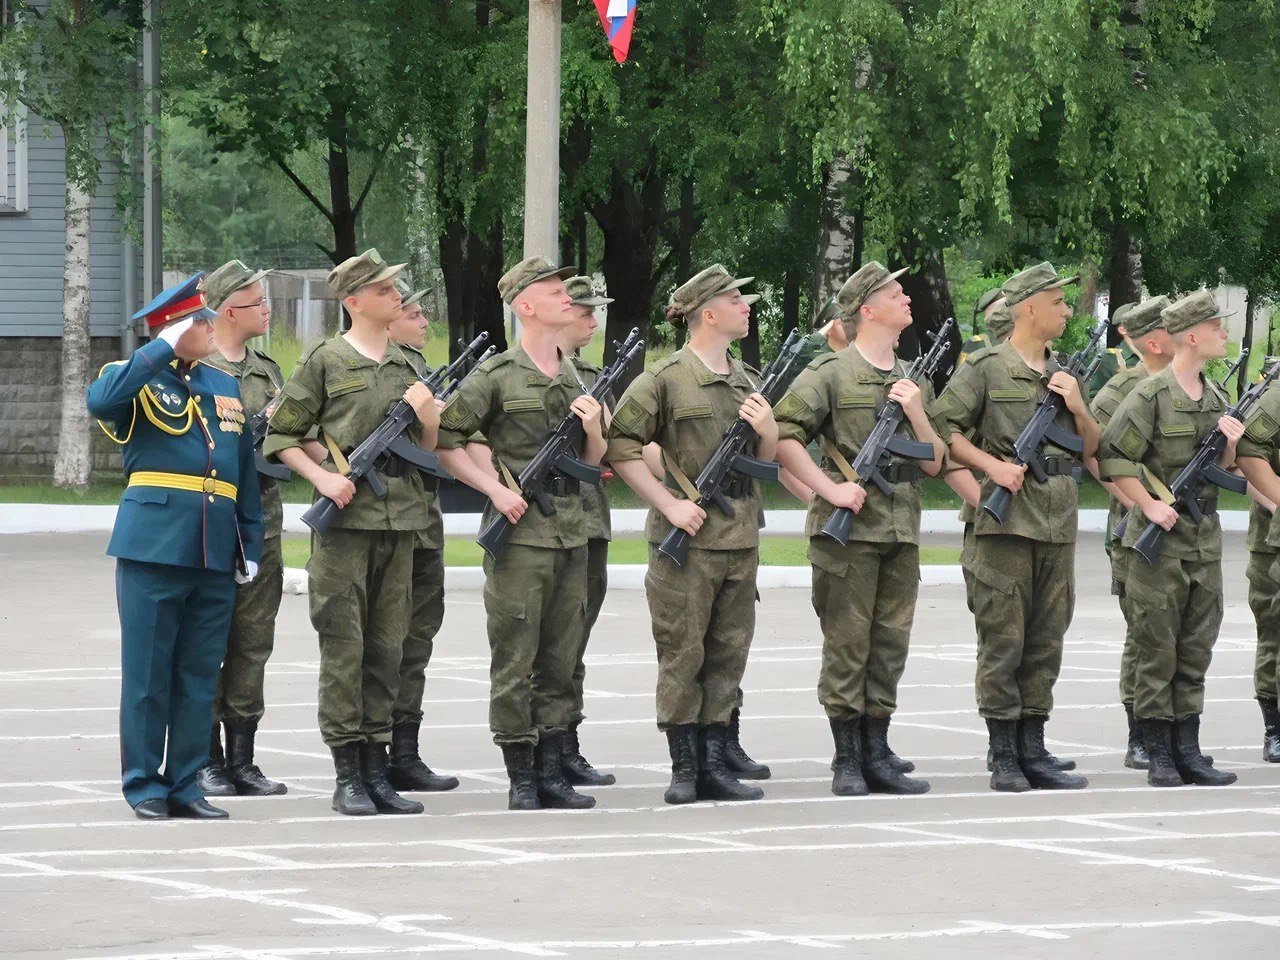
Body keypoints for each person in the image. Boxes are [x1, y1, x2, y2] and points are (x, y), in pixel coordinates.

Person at [264, 249, 439, 816]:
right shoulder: (326, 360)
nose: (397, 296)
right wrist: (323, 477)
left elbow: (428, 451)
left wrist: (429, 418)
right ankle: (347, 775)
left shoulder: (409, 364)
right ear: (354, 301)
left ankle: (376, 768)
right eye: (384, 290)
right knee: (345, 648)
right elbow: (281, 434)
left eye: (395, 288)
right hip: (344, 527)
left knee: (388, 648)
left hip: (401, 522)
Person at [87, 273, 264, 820]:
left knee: (198, 675)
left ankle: (186, 784)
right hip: (154, 546)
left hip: (215, 548)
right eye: (200, 321)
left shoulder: (223, 386)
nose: (211, 328)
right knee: (148, 674)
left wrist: (250, 544)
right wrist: (159, 348)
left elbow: (242, 475)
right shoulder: (132, 377)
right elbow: (101, 402)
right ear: (172, 328)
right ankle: (143, 783)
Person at [433, 257, 605, 811]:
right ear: (525, 306)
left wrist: (594, 430)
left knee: (560, 658)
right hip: (520, 536)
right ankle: (522, 776)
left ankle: (553, 770)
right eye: (553, 292)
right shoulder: (496, 374)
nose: (566, 298)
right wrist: (494, 488)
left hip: (572, 531)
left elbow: (593, 462)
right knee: (516, 657)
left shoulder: (577, 374)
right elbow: (446, 440)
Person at [606, 264, 777, 805]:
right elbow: (620, 447)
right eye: (735, 300)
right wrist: (669, 504)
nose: (746, 308)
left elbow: (764, 461)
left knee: (728, 655)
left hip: (739, 538)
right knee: (683, 655)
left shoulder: (748, 380)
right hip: (685, 544)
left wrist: (768, 430)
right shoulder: (663, 379)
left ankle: (715, 763)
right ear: (708, 314)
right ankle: (684, 767)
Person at [774, 262, 941, 797]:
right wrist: (829, 489)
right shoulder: (830, 372)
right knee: (848, 645)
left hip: (900, 529)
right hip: (847, 534)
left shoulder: (913, 377)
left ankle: (877, 750)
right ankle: (847, 758)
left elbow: (935, 461)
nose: (907, 299)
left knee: (890, 645)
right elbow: (782, 435)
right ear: (867, 310)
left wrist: (916, 411)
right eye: (896, 294)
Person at [932, 262, 1096, 792]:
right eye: (1058, 302)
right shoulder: (984, 368)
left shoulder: (1066, 374)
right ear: (1029, 307)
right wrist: (991, 467)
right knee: (1003, 640)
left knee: (1046, 640)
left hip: (1056, 522)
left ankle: (1034, 747)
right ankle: (1003, 753)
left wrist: (1077, 405)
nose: (1067, 311)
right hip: (1004, 524)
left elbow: (1093, 449)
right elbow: (943, 430)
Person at [1098, 290, 1242, 787]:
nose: (1224, 334)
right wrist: (1148, 503)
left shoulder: (1217, 397)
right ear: (1192, 336)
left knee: (1196, 648)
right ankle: (1158, 751)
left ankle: (1189, 749)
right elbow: (1113, 458)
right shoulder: (1150, 395)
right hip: (1159, 546)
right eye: (1216, 328)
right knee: (1157, 649)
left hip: (1203, 543)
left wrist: (1230, 447)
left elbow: (1225, 470)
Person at [1085, 296, 1172, 769]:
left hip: (1182, 529)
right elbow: (1097, 457)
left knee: (1178, 635)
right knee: (1143, 634)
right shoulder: (1121, 389)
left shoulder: (1192, 384)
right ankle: (1139, 733)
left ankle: (1174, 733)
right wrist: (1137, 499)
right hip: (1134, 528)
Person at [383, 279, 460, 792]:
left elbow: (438, 451)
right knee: (378, 644)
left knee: (416, 641)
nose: (425, 321)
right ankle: (369, 755)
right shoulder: (352, 369)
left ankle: (405, 753)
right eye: (413, 314)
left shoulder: (420, 374)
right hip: (377, 525)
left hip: (423, 524)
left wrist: (431, 419)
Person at [1234, 359, 1280, 763]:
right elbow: (1247, 457)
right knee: (1273, 634)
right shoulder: (1272, 399)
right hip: (1272, 540)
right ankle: (1274, 728)